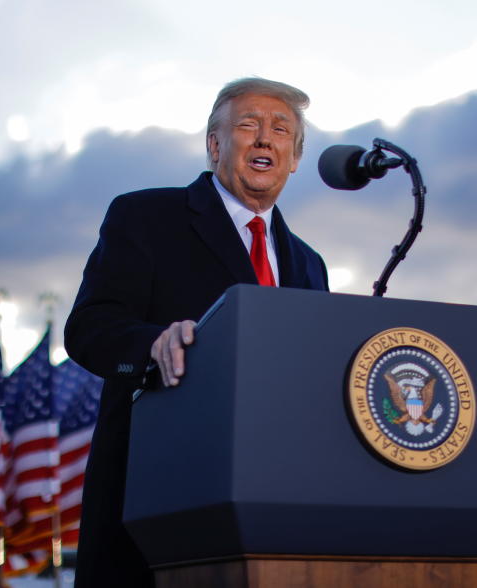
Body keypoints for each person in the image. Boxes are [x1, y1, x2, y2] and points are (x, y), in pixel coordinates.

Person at [64, 77, 329, 588]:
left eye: (281, 130)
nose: (264, 139)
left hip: (274, 506)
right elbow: (89, 327)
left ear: (294, 158)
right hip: (156, 498)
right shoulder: (146, 216)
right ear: (214, 144)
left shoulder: (309, 264)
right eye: (248, 125)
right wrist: (153, 344)